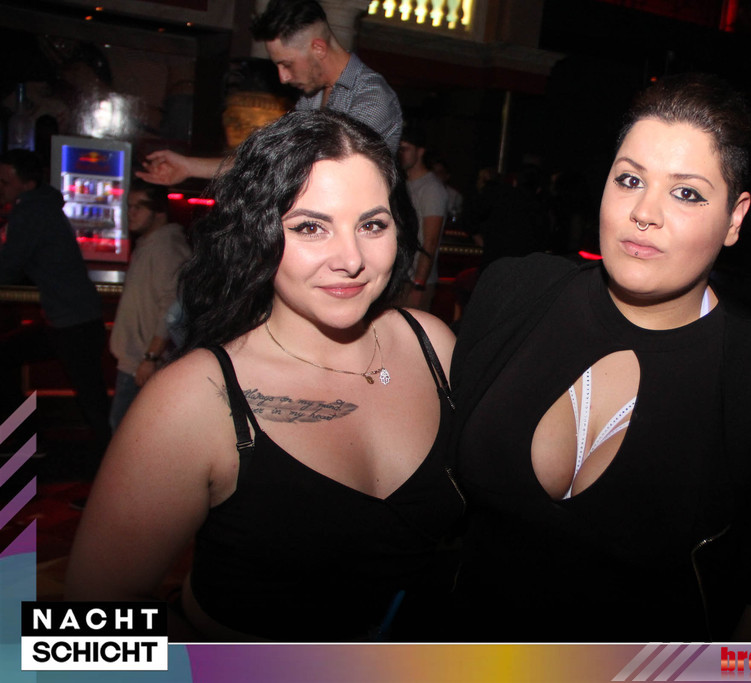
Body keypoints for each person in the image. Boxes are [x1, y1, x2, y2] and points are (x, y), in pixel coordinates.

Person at [449, 74, 751, 642]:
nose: (644, 212)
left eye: (686, 193)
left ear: (735, 218)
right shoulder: (515, 291)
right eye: (630, 179)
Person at [66, 110, 464, 642]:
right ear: (258, 232)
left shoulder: (431, 344)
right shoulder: (194, 400)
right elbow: (85, 629)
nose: (351, 259)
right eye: (310, 227)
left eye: (372, 224)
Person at [137, 0, 403, 186]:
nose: (283, 77)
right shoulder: (311, 96)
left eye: (287, 64)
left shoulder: (371, 98)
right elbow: (273, 160)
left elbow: (328, 176)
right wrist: (189, 167)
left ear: (318, 48)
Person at [0, 149, 110, 451]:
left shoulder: (30, 212)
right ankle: (30, 439)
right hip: (74, 319)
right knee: (92, 399)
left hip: (72, 323)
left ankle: (32, 440)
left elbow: (8, 266)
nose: (0, 188)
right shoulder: (43, 206)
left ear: (26, 184)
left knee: (93, 402)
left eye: (5, 182)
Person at [107, 181, 191, 432]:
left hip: (143, 361)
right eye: (129, 206)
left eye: (139, 207)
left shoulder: (167, 248)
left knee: (126, 432)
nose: (130, 213)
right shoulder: (150, 243)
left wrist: (151, 357)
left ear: (159, 212)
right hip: (137, 358)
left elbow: (172, 307)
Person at [397, 127, 447, 311]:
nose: (401, 153)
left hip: (415, 281)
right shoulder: (401, 183)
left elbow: (430, 240)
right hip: (398, 278)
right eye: (399, 149)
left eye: (406, 149)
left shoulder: (431, 188)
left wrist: (419, 284)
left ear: (420, 151)